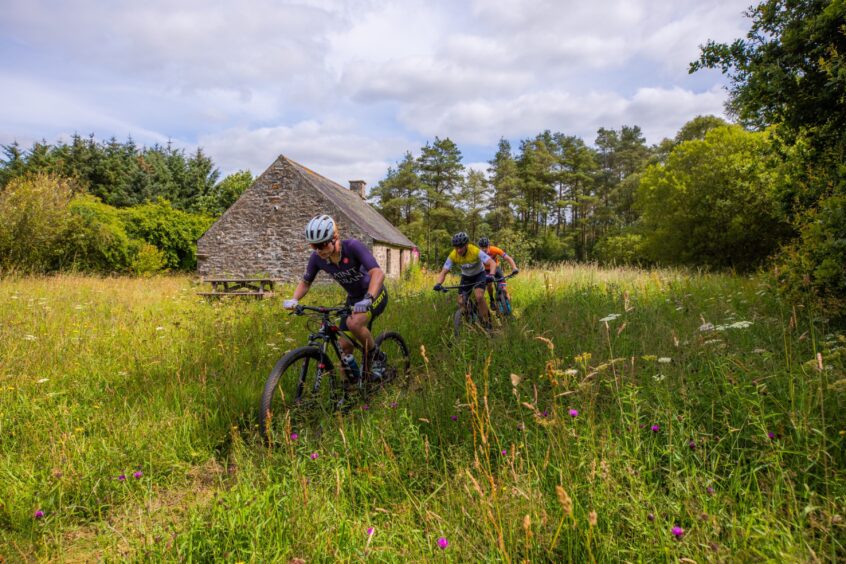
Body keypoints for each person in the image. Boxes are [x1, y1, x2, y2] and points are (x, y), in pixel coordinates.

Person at [283, 214, 387, 380]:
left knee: (354, 323)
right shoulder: (317, 258)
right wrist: (294, 300)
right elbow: (306, 282)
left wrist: (369, 298)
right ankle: (349, 392)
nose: (319, 250)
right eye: (313, 246)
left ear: (334, 238)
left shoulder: (352, 247)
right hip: (353, 299)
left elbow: (377, 273)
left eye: (322, 244)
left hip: (374, 293)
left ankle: (377, 356)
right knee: (344, 347)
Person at [432, 232, 497, 329]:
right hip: (466, 277)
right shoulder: (453, 255)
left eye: (460, 247)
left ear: (466, 245)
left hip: (479, 274)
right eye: (456, 247)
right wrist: (438, 283)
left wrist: (491, 275)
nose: (458, 250)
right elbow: (444, 271)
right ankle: (469, 317)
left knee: (479, 297)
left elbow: (492, 263)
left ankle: (487, 323)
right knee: (461, 301)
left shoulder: (474, 250)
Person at [477, 236, 519, 306]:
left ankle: (509, 308)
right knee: (489, 285)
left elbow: (508, 258)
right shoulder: (478, 254)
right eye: (482, 247)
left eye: (486, 247)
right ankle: (492, 300)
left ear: (489, 246)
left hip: (496, 268)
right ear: (480, 247)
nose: (484, 249)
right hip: (485, 270)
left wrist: (514, 268)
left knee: (504, 289)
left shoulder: (495, 249)